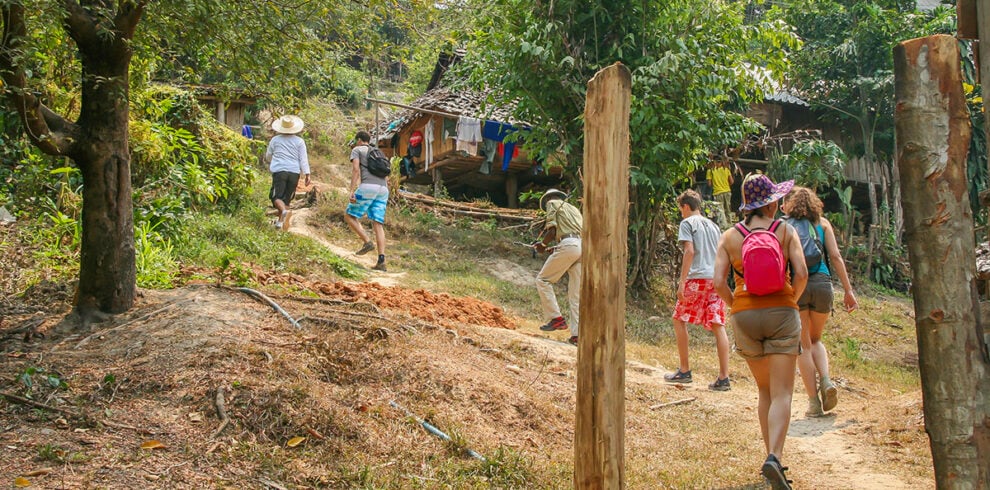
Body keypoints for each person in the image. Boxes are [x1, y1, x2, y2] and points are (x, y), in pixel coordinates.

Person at [713, 173, 807, 490]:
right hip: (782, 312)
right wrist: (791, 300)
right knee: (782, 393)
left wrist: (736, 305)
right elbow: (802, 273)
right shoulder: (785, 230)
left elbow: (718, 282)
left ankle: (771, 461)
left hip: (745, 316)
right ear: (771, 204)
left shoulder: (729, 237)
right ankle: (774, 457)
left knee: (765, 390)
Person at [781, 186, 859, 417]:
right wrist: (848, 290)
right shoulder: (823, 224)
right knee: (816, 340)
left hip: (798, 285)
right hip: (823, 284)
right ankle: (825, 380)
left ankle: (814, 403)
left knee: (804, 345)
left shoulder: (785, 226)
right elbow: (835, 256)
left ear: (790, 204)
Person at [664, 189, 731, 391]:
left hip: (697, 277)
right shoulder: (714, 226)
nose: (681, 213)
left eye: (681, 209)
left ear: (685, 206)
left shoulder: (687, 223)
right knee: (718, 323)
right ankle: (724, 377)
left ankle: (684, 369)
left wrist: (682, 281)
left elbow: (689, 251)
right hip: (715, 278)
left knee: (679, 318)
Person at [534, 189, 582, 346]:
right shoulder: (574, 210)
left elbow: (552, 230)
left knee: (543, 280)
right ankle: (577, 335)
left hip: (569, 245)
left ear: (548, 199)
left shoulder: (552, 203)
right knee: (576, 296)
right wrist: (556, 247)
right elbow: (573, 236)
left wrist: (542, 245)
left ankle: (556, 319)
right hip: (583, 247)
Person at [344, 130, 389, 272]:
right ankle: (381, 261)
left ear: (358, 140)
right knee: (378, 223)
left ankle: (367, 242)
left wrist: (352, 190)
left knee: (349, 215)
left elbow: (356, 170)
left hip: (368, 187)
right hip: (383, 189)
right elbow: (386, 174)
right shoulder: (379, 152)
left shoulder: (357, 150)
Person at [265, 115, 311, 231]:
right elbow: (303, 159)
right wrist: (307, 174)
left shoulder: (275, 140)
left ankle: (284, 212)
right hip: (294, 172)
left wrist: (273, 161)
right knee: (287, 199)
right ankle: (280, 224)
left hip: (280, 171)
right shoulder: (299, 141)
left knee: (276, 197)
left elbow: (268, 156)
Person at [707, 158, 735, 227]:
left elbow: (709, 184)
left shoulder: (710, 171)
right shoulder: (726, 169)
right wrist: (725, 185)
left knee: (720, 210)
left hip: (717, 192)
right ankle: (729, 224)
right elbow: (732, 182)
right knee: (728, 209)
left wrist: (716, 184)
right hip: (727, 191)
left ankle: (723, 226)